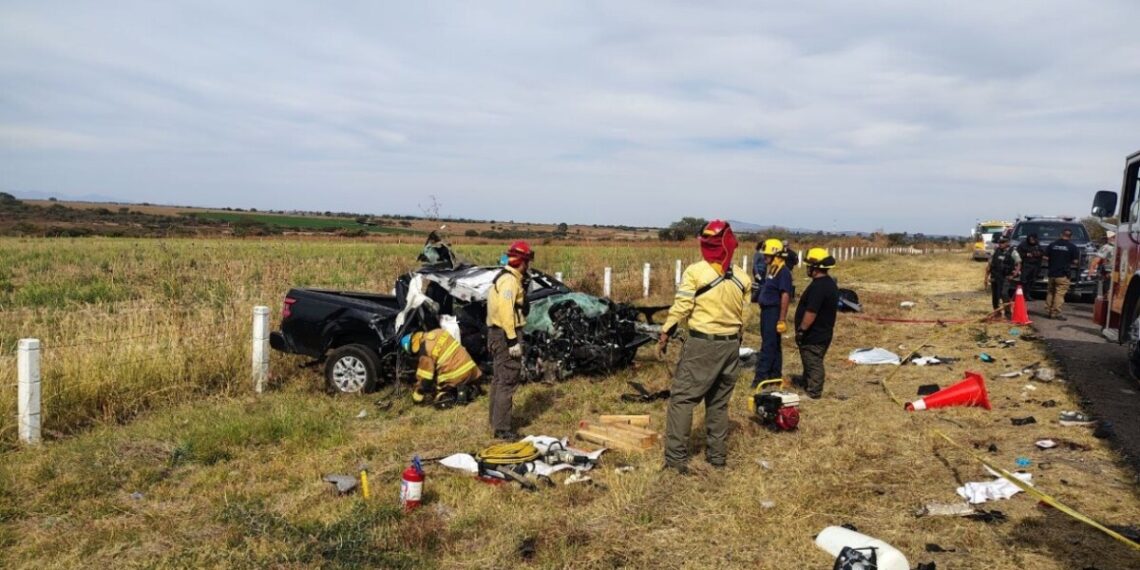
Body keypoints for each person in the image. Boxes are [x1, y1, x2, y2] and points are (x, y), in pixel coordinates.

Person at [656, 220, 750, 473]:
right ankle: (717, 458)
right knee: (718, 404)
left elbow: (683, 306)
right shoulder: (742, 277)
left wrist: (666, 330)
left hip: (702, 345)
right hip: (731, 346)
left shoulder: (695, 272)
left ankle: (675, 460)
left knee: (682, 400)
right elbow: (746, 315)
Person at [486, 240, 534, 439]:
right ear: (522, 262)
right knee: (507, 381)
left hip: (497, 333)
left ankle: (495, 421)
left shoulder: (504, 277)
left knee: (499, 380)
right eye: (527, 262)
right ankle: (503, 429)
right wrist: (513, 340)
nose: (528, 266)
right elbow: (506, 310)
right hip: (506, 335)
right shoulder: (510, 281)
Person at [794, 248, 839, 400]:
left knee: (813, 361)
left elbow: (811, 312)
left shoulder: (819, 287)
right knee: (808, 360)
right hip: (822, 332)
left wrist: (802, 330)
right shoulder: (827, 283)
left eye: (809, 266)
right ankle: (806, 382)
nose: (807, 268)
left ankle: (814, 392)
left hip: (815, 334)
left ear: (815, 268)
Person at [401, 329, 482, 408]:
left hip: (456, 375)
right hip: (470, 368)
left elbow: (425, 380)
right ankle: (471, 388)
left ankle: (457, 396)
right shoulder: (438, 331)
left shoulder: (424, 351)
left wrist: (417, 396)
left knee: (439, 395)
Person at [753, 238, 793, 387]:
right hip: (767, 311)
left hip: (773, 312)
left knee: (768, 345)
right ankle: (775, 376)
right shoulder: (773, 269)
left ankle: (760, 379)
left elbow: (785, 295)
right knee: (774, 345)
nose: (764, 257)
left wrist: (781, 319)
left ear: (776, 255)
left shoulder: (783, 272)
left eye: (767, 255)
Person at [1042, 228, 1082, 320]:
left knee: (1050, 292)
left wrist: (1054, 260)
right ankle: (1056, 313)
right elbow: (1076, 261)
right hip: (1063, 274)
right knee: (1059, 294)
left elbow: (1045, 257)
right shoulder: (1072, 247)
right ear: (1070, 236)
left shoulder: (1052, 245)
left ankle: (1048, 311)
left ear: (1061, 235)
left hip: (1052, 273)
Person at [984, 236, 1021, 320]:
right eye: (1000, 242)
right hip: (995, 276)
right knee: (995, 296)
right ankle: (997, 313)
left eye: (1003, 242)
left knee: (1004, 294)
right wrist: (986, 277)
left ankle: (1008, 313)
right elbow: (990, 264)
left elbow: (1018, 263)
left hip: (1005, 277)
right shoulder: (995, 251)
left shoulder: (1013, 252)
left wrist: (1014, 274)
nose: (1000, 244)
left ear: (1007, 243)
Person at [1090, 231, 1116, 296]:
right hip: (1116, 273)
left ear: (1109, 238)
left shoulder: (1106, 247)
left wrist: (1091, 271)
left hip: (1108, 273)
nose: (1104, 240)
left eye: (1105, 238)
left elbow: (1096, 260)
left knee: (1107, 293)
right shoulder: (1122, 246)